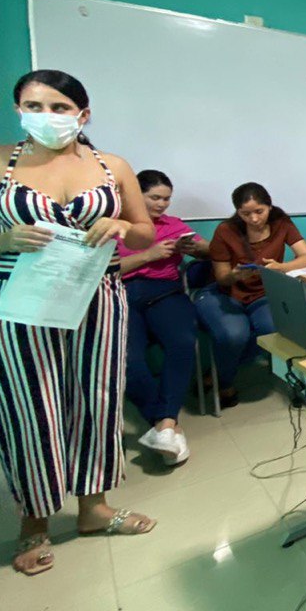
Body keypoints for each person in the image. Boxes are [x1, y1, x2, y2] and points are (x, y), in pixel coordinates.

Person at [0, 69, 158, 576]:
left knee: (98, 399)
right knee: (28, 406)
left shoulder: (112, 166)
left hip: (99, 296)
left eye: (60, 108)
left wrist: (123, 225)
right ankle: (34, 520)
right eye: (34, 106)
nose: (47, 116)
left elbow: (146, 234)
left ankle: (94, 508)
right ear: (18, 110)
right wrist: (3, 240)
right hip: (21, 301)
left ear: (82, 115)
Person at [117, 170, 210, 466]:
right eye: (154, 197)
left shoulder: (173, 225)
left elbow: (209, 250)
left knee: (182, 342)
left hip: (165, 293)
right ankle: (166, 425)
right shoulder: (116, 225)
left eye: (166, 199)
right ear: (136, 195)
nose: (161, 204)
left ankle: (165, 425)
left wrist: (197, 248)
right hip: (120, 294)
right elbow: (104, 268)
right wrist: (149, 255)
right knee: (127, 361)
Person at [198, 183, 306, 408]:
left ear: (269, 206)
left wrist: (282, 267)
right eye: (245, 214)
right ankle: (224, 382)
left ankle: (219, 371)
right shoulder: (226, 230)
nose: (253, 219)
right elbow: (221, 277)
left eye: (259, 211)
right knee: (234, 334)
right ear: (238, 212)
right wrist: (234, 275)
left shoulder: (281, 223)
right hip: (225, 293)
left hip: (263, 293)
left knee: (273, 330)